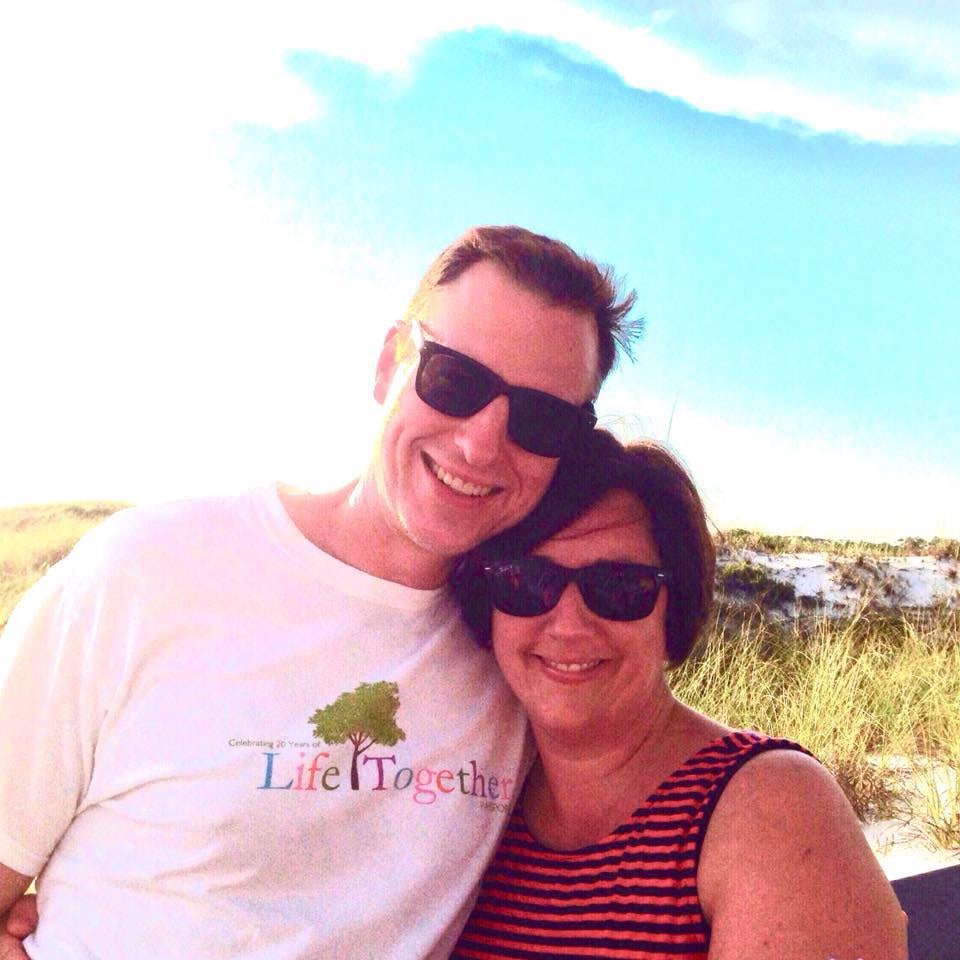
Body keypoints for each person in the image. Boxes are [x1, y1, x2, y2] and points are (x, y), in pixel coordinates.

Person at [0, 226, 639, 958]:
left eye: (542, 418)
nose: (481, 442)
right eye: (455, 381)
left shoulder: (529, 652)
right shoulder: (150, 570)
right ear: (388, 364)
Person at [448, 431, 907, 959]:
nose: (569, 625)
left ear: (674, 609)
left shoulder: (769, 807)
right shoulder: (471, 801)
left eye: (619, 587)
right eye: (526, 581)